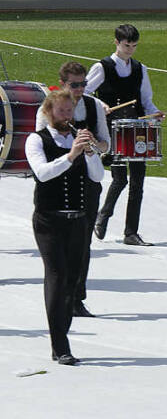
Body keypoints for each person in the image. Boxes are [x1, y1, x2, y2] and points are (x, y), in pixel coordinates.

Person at [25, 87, 104, 365]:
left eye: (69, 111)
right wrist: (71, 155)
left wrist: (91, 152)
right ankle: (60, 346)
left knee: (71, 282)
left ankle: (62, 336)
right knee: (57, 278)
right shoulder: (37, 140)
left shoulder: (78, 139)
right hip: (49, 220)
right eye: (61, 111)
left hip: (77, 220)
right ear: (48, 113)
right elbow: (43, 174)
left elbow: (97, 177)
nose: (66, 116)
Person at [87, 23, 162, 246]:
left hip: (136, 129)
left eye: (134, 46)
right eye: (126, 45)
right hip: (112, 128)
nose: (130, 50)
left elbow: (146, 100)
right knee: (120, 179)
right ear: (116, 42)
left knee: (138, 182)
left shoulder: (140, 68)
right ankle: (103, 215)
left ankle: (131, 232)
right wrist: (102, 105)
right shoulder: (102, 67)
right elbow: (87, 93)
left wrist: (154, 113)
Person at [47, 62, 109, 318]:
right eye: (75, 85)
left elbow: (106, 146)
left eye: (84, 84)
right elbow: (44, 142)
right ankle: (59, 295)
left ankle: (76, 298)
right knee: (58, 244)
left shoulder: (94, 106)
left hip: (87, 182)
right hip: (59, 182)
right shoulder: (51, 107)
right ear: (63, 84)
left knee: (82, 242)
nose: (81, 89)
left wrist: (93, 143)